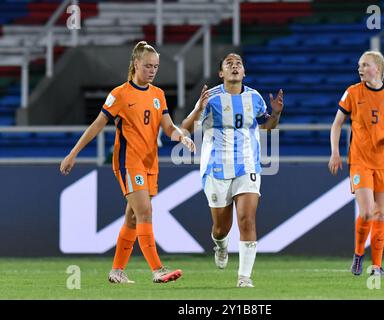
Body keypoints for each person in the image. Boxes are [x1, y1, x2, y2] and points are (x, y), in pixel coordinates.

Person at [60, 41, 196, 284]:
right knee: (145, 211)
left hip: (149, 162)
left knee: (133, 218)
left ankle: (117, 272)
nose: (152, 71)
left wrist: (180, 137)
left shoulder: (158, 95)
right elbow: (97, 125)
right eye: (147, 66)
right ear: (135, 64)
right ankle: (157, 269)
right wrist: (73, 153)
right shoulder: (120, 94)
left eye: (156, 66)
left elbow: (167, 127)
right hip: (128, 161)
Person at [181, 53, 283, 287]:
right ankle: (221, 245)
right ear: (221, 73)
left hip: (247, 166)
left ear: (244, 72)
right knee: (220, 228)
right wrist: (198, 108)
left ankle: (244, 277)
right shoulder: (211, 97)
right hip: (216, 168)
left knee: (247, 220)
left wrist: (275, 113)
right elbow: (185, 129)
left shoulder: (255, 98)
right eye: (229, 64)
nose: (235, 66)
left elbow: (267, 128)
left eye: (239, 64)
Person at [328, 51, 384, 276]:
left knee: (381, 214)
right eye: (359, 65)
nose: (360, 69)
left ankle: (376, 266)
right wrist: (335, 153)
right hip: (360, 161)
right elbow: (337, 124)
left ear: (378, 68)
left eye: (365, 65)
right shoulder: (353, 92)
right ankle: (358, 255)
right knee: (367, 213)